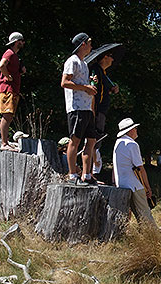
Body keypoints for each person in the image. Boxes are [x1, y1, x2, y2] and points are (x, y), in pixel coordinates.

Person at [61, 32, 98, 185]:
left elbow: (78, 81)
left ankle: (86, 175)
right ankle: (72, 175)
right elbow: (64, 82)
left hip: (86, 107)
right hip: (76, 107)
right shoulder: (72, 61)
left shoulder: (83, 63)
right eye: (89, 43)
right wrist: (85, 88)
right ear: (83, 44)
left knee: (91, 140)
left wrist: (89, 81)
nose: (91, 46)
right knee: (75, 140)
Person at [113, 118, 155, 225]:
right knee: (145, 215)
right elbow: (140, 168)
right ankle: (152, 236)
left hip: (122, 185)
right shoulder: (132, 144)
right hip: (134, 185)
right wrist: (148, 188)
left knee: (126, 215)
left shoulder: (118, 144)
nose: (136, 130)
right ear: (130, 130)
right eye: (135, 128)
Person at [0, 32, 26, 151]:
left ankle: (6, 141)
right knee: (7, 115)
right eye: (21, 40)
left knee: (9, 116)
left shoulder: (15, 56)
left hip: (13, 90)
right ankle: (4, 143)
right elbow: (1, 65)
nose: (23, 43)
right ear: (16, 42)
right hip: (8, 89)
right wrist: (7, 76)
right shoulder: (9, 53)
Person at [90, 52, 119, 148]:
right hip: (97, 109)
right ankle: (93, 162)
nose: (113, 60)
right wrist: (93, 111)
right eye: (111, 57)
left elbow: (102, 90)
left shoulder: (104, 73)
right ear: (105, 57)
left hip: (101, 110)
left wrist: (111, 90)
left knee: (98, 137)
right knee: (94, 139)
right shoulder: (95, 70)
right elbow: (93, 91)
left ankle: (95, 160)